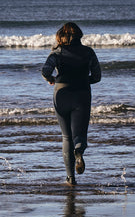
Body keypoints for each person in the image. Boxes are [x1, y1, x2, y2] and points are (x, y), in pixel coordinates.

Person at [41, 22, 101, 185]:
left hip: (61, 94)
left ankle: (70, 178)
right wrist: (82, 80)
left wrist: (51, 79)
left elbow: (45, 71)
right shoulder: (88, 52)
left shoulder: (57, 52)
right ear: (79, 35)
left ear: (61, 36)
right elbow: (97, 76)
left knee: (66, 136)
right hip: (82, 93)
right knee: (79, 135)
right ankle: (79, 151)